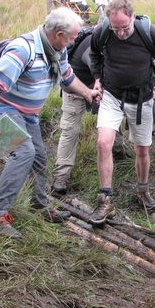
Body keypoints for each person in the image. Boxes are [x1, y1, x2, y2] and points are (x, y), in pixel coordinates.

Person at [0, 8, 98, 239]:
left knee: (39, 158)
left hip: (28, 114)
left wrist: (87, 93)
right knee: (24, 153)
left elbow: (67, 77)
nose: (74, 41)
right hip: (5, 109)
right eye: (72, 37)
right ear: (58, 33)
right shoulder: (23, 49)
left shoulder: (58, 49)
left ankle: (39, 205)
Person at [88, 0, 155, 222]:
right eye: (115, 28)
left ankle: (143, 191)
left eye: (124, 28)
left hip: (142, 98)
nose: (120, 33)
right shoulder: (103, 32)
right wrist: (97, 78)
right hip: (112, 95)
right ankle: (105, 200)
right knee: (103, 142)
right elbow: (94, 54)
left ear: (133, 17)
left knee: (142, 149)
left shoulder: (151, 33)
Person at [51, 29, 95, 195]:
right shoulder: (91, 44)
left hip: (97, 88)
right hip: (74, 89)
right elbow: (101, 73)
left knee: (111, 123)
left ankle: (117, 150)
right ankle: (61, 176)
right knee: (70, 131)